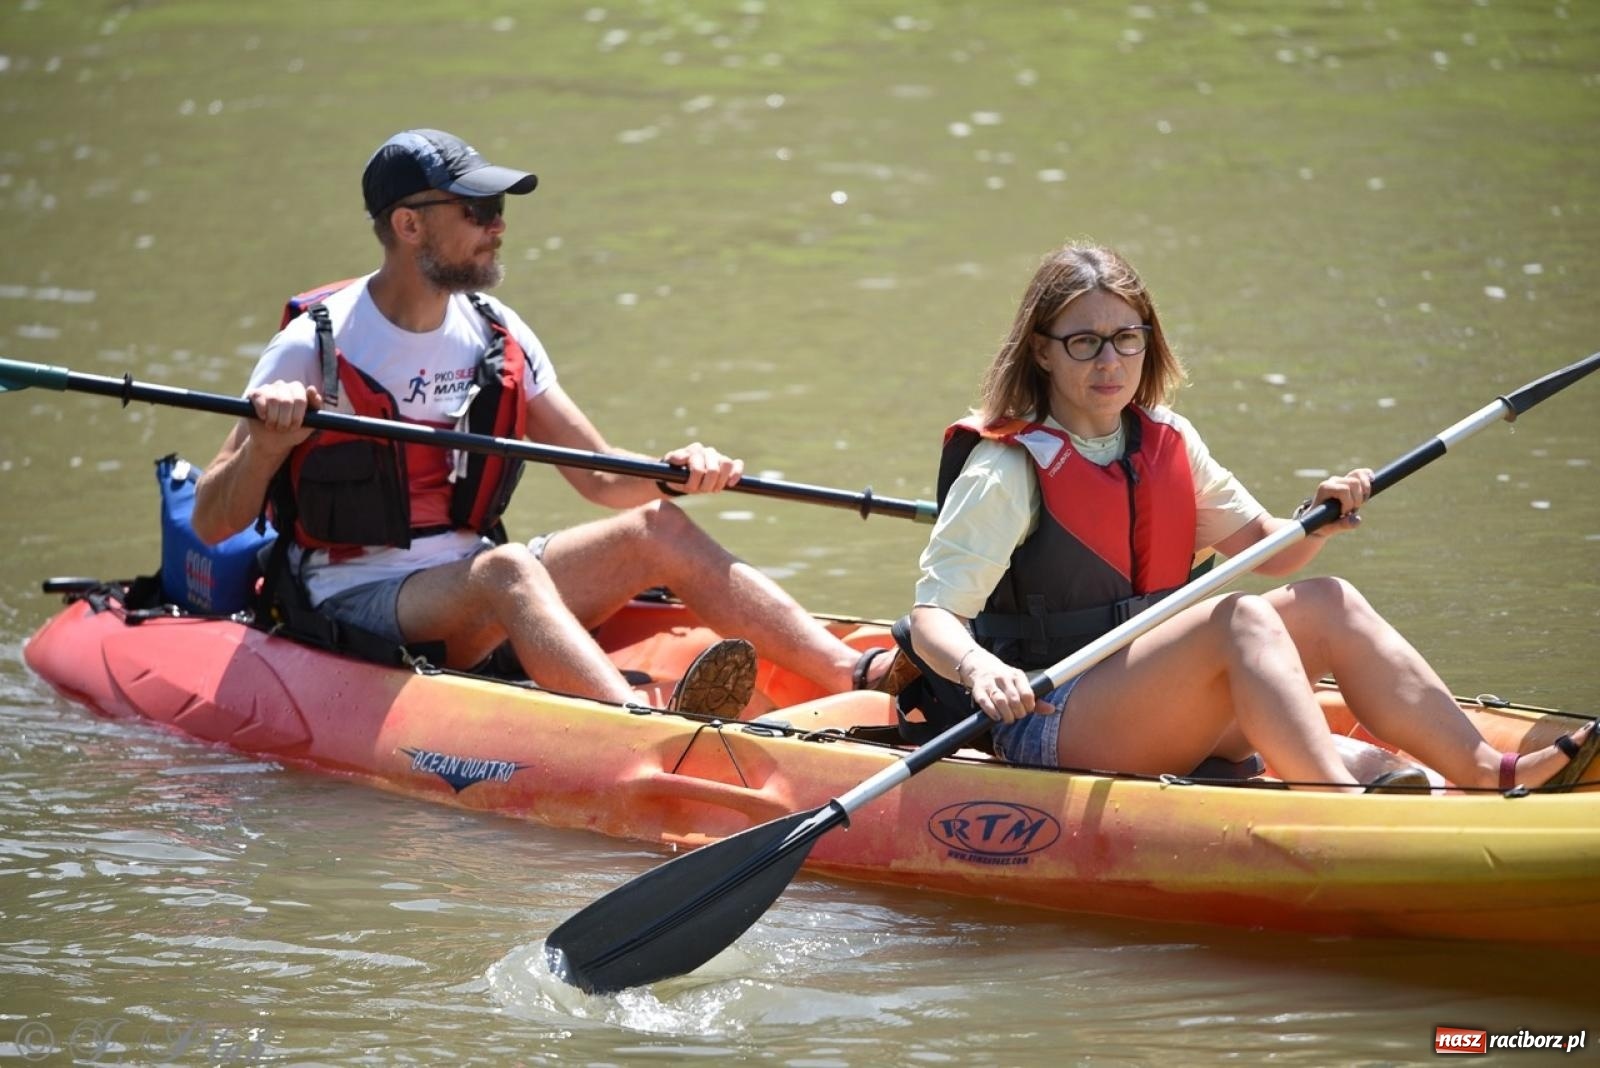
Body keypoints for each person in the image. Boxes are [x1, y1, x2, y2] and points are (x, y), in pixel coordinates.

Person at [192, 128, 897, 716]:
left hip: (473, 581)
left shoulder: (497, 331)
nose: (497, 225)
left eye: (497, 208)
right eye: (477, 210)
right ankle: (637, 728)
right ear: (409, 225)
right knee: (508, 567)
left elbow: (601, 477)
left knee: (656, 526)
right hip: (357, 596)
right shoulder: (314, 345)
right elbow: (213, 520)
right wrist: (268, 444)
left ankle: (856, 674)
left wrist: (675, 475)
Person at [904, 241, 1597, 792]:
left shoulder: (1167, 440)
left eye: (1126, 338)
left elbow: (1271, 551)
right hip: (1050, 716)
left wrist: (1316, 519)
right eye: (1084, 342)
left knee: (1328, 601)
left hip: (1160, 699)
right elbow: (934, 617)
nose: (1110, 360)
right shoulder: (1007, 467)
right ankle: (1335, 803)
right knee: (1239, 619)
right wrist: (980, 669)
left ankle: (1489, 769)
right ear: (1042, 350)